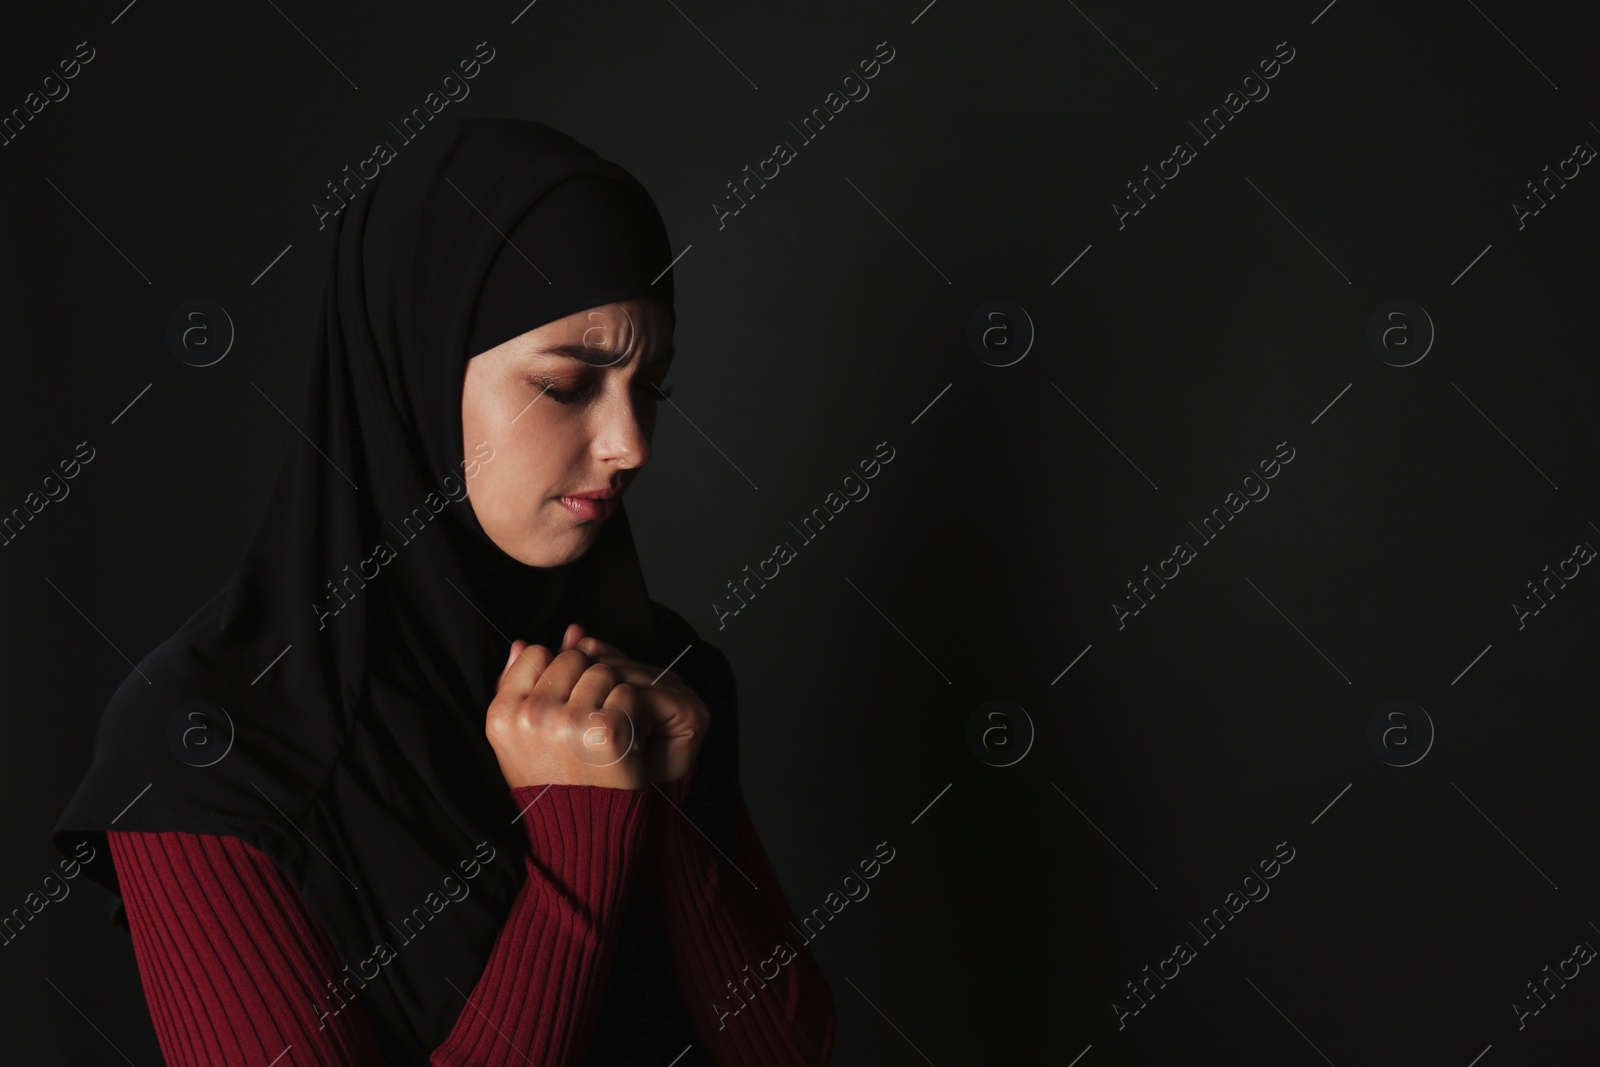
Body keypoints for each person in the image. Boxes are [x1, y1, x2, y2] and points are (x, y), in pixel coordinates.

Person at [51, 117, 835, 1065]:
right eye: (568, 384)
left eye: (651, 388)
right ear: (414, 372)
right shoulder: (203, 745)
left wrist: (660, 807)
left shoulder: (657, 679)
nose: (631, 445)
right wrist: (581, 847)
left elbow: (786, 1054)